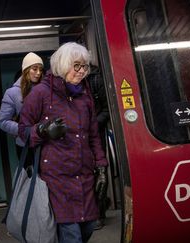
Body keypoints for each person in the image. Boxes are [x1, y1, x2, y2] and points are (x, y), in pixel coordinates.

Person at [18, 42, 108, 243]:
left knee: (88, 227)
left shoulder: (85, 95)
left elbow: (93, 134)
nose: (82, 71)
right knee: (72, 235)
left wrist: (101, 168)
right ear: (63, 65)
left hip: (84, 176)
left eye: (84, 66)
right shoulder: (41, 93)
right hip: (57, 179)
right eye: (76, 66)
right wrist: (42, 130)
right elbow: (23, 130)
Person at [0, 52, 44, 157]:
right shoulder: (12, 93)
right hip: (25, 145)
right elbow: (3, 121)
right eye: (34, 69)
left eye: (40, 70)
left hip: (46, 144)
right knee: (30, 173)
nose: (38, 73)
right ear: (26, 70)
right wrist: (24, 129)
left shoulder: (45, 90)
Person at [88, 64, 111, 230]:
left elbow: (107, 108)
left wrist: (93, 124)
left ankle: (100, 213)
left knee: (100, 172)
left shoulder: (96, 79)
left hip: (95, 133)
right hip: (76, 135)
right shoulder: (66, 80)